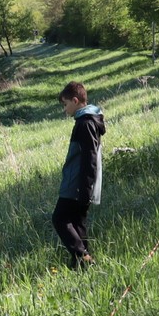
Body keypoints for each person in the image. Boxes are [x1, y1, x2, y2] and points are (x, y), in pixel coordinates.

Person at [53, 80, 104, 269]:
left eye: (65, 104)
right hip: (80, 182)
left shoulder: (85, 123)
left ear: (75, 101)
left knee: (60, 218)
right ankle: (81, 265)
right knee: (77, 221)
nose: (65, 109)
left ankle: (83, 256)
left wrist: (85, 188)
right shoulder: (88, 120)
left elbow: (89, 158)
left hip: (77, 183)